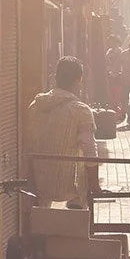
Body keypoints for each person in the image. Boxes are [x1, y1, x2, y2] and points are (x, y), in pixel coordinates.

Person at [25, 56, 100, 207]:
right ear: (79, 80)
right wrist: (95, 185)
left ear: (55, 78)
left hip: (39, 183)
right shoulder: (80, 111)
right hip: (68, 186)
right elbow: (90, 150)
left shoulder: (35, 106)